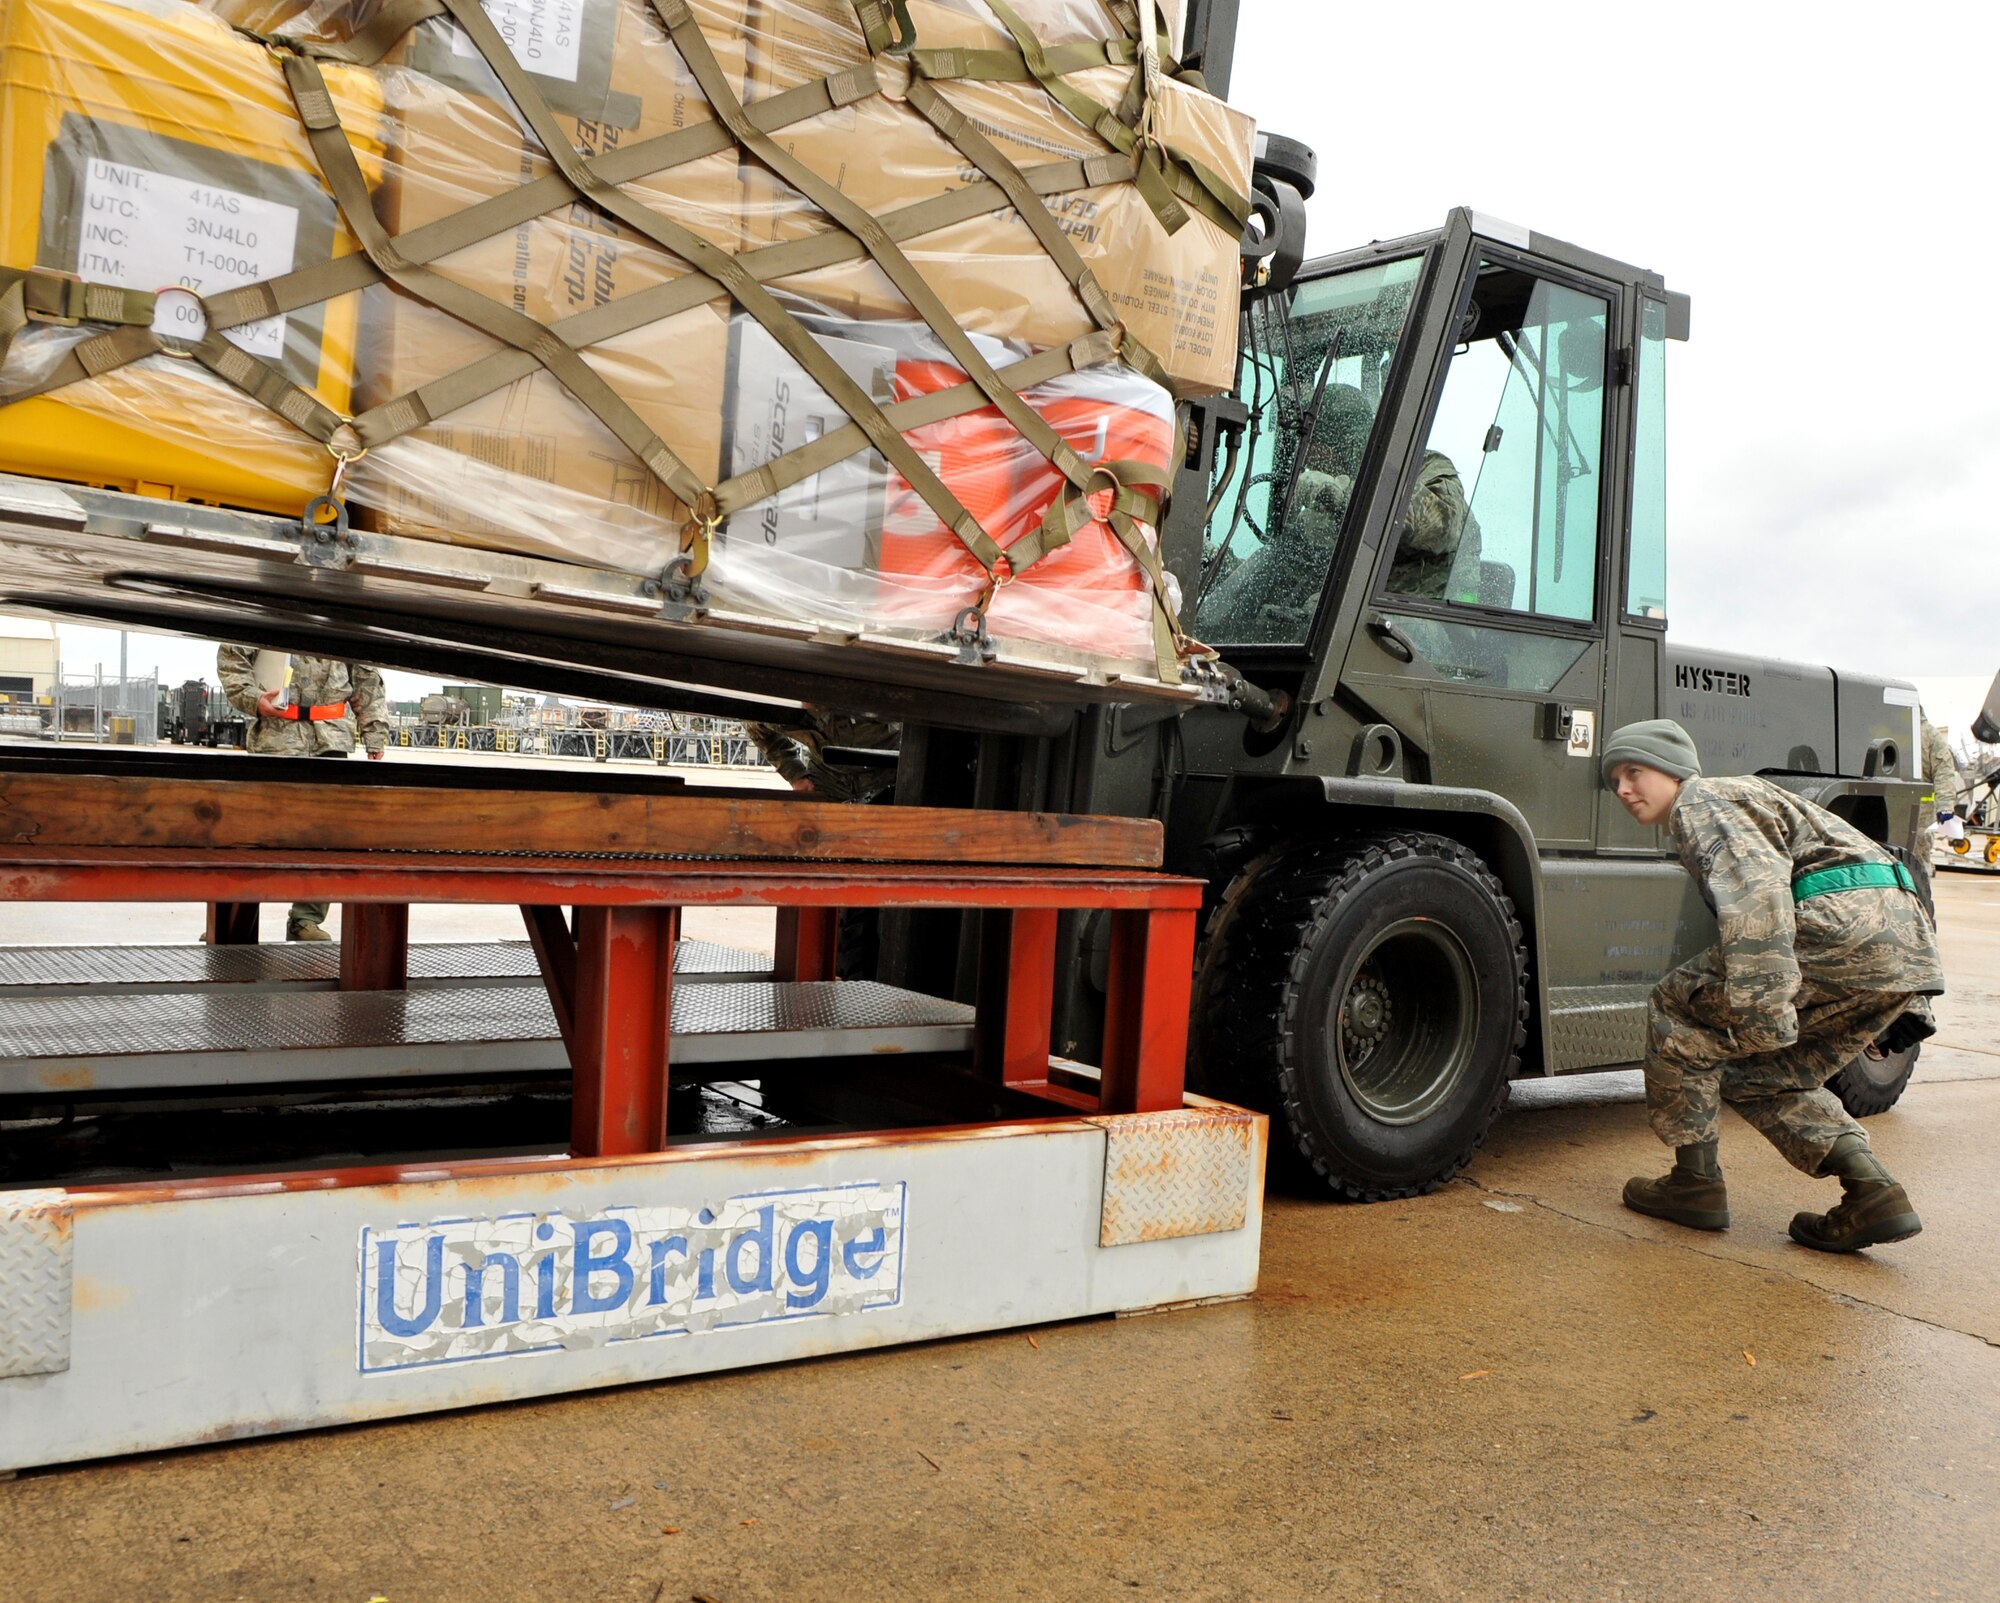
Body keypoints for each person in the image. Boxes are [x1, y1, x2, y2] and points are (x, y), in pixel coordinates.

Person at [1602, 718, 1944, 1253]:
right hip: (1898, 942)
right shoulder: (1745, 798)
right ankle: (1872, 1191)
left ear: (1673, 771)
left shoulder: (1703, 799)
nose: (1622, 789)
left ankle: (1693, 1184)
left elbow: (1758, 898)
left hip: (1840, 932)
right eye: (1614, 780)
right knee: (1761, 1072)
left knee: (1676, 1005)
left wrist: (1761, 1007)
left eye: (1634, 772)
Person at [217, 645, 389, 941]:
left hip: (330, 740)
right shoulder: (268, 611)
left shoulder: (342, 624)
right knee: (256, 835)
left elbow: (366, 676)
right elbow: (232, 657)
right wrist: (253, 698)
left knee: (327, 838)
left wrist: (375, 733)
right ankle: (235, 920)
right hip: (275, 738)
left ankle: (305, 920)